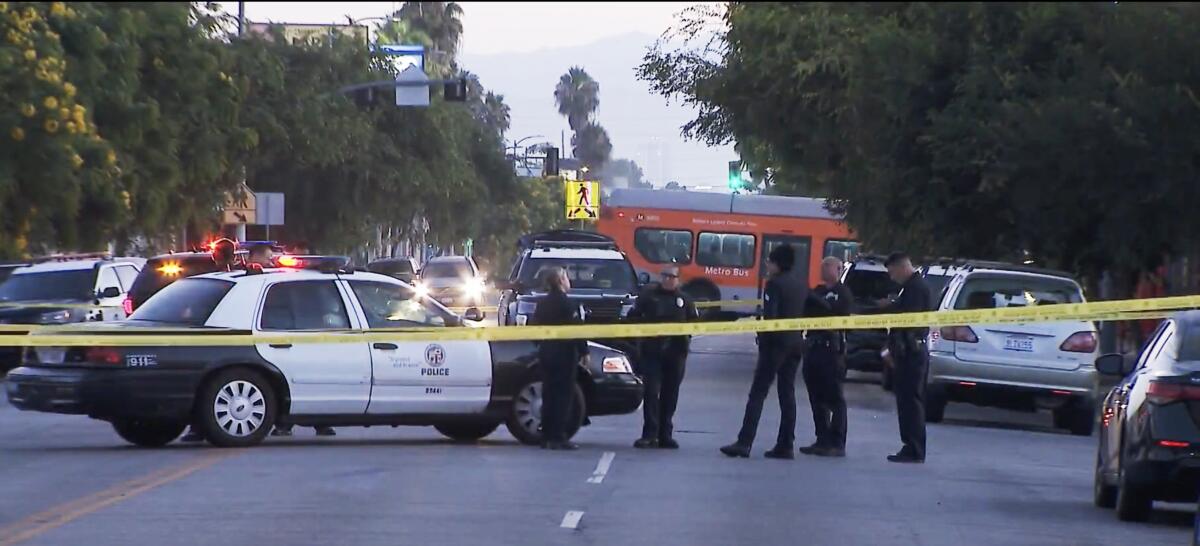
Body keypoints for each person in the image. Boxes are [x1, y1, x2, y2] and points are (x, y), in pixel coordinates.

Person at [721, 244, 810, 459]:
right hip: (795, 343)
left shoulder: (774, 285)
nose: (766, 265)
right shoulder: (800, 284)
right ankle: (786, 443)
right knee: (787, 394)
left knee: (758, 393)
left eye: (769, 261)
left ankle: (744, 442)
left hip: (774, 347)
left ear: (777, 263)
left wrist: (763, 338)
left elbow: (772, 316)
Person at [627, 265, 699, 449]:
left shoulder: (684, 299)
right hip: (652, 352)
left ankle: (665, 434)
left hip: (675, 354)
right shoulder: (649, 296)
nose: (668, 279)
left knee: (670, 394)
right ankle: (649, 434)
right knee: (651, 393)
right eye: (665, 276)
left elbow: (695, 323)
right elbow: (633, 316)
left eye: (672, 277)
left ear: (678, 279)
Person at [876, 252, 932, 464]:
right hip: (908, 350)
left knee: (910, 402)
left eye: (892, 272)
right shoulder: (912, 288)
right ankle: (910, 445)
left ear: (901, 267)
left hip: (912, 352)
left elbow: (907, 320)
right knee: (907, 401)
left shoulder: (915, 289)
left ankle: (914, 448)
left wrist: (887, 309)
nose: (891, 277)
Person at [530, 267, 589, 450]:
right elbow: (576, 329)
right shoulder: (568, 304)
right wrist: (584, 352)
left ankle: (546, 436)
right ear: (561, 280)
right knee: (563, 396)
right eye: (566, 277)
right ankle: (558, 436)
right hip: (564, 353)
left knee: (548, 394)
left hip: (547, 353)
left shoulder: (542, 303)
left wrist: (541, 346)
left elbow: (534, 328)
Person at [800, 257, 853, 457]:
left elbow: (839, 314)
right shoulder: (818, 290)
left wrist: (821, 308)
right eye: (821, 266)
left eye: (827, 266)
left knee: (834, 397)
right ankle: (822, 439)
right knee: (816, 397)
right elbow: (807, 312)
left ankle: (837, 442)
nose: (822, 269)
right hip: (813, 347)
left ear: (838, 269)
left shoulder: (843, 292)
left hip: (832, 349)